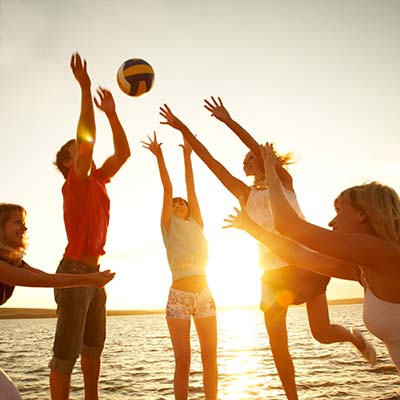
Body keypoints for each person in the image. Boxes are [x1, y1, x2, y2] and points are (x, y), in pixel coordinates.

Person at [159, 99, 375, 400]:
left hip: (306, 263)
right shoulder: (243, 193)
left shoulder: (282, 182)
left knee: (321, 333)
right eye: (245, 159)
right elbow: (210, 162)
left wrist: (228, 121)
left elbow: (261, 150)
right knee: (277, 346)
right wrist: (183, 128)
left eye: (251, 158)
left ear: (264, 161)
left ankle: (353, 339)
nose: (245, 161)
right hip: (271, 274)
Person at [227, 142, 400, 372]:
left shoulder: (384, 253)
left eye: (339, 211)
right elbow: (297, 255)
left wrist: (272, 173)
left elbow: (288, 225)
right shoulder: (362, 270)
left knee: (321, 331)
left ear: (362, 215)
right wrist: (251, 228)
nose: (331, 222)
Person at [49, 53, 131, 400]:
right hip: (73, 274)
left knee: (93, 349)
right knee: (66, 355)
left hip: (95, 275)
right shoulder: (76, 182)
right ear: (69, 162)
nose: (85, 153)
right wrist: (84, 88)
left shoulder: (98, 178)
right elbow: (88, 141)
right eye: (77, 151)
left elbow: (123, 153)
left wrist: (113, 115)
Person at [0, 203, 115, 400]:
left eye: (24, 223)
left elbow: (41, 275)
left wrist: (89, 279)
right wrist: (89, 280)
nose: (24, 228)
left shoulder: (12, 260)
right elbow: (37, 281)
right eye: (17, 222)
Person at [142, 132, 218, 400]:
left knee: (210, 358)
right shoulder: (168, 226)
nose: (178, 203)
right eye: (175, 203)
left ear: (188, 208)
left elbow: (191, 187)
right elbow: (167, 188)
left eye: (181, 202)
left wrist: (188, 155)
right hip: (179, 297)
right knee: (183, 361)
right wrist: (159, 156)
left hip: (204, 294)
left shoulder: (197, 223)